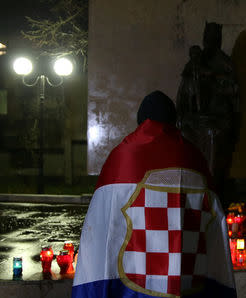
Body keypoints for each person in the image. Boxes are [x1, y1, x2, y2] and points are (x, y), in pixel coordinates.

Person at [72, 91, 236, 298]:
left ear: (141, 120)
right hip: (187, 277)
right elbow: (212, 223)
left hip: (132, 284)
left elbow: (101, 224)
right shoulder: (194, 157)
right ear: (173, 120)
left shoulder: (122, 156)